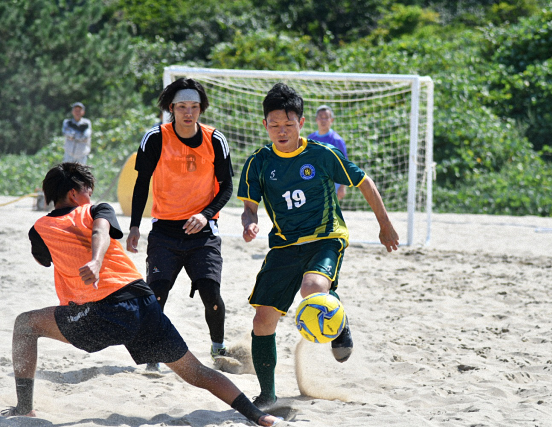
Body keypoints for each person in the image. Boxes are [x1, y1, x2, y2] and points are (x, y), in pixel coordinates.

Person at [0, 163, 280, 426]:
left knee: (25, 325)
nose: (91, 195)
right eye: (88, 190)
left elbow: (54, 255)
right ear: (74, 193)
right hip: (143, 303)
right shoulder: (98, 209)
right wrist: (94, 259)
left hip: (100, 312)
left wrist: (95, 261)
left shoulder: (40, 229)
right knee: (195, 372)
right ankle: (257, 415)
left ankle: (25, 407)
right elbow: (100, 230)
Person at [238, 83, 399, 409]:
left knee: (312, 288)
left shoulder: (322, 154)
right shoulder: (258, 162)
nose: (282, 131)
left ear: (301, 122)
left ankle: (338, 323)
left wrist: (385, 224)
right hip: (284, 247)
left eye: (289, 124)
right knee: (262, 320)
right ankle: (267, 395)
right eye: (274, 124)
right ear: (265, 125)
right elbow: (249, 207)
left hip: (326, 238)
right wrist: (249, 222)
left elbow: (365, 182)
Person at [126, 78, 232, 369]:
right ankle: (153, 354)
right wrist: (134, 226)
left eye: (194, 107)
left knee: (211, 293)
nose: (188, 112)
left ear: (201, 109)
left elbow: (226, 187)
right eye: (182, 106)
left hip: (203, 231)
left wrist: (205, 214)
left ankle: (218, 348)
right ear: (171, 108)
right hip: (165, 230)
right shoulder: (155, 138)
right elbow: (141, 183)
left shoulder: (215, 140)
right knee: (157, 294)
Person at [307, 105, 348, 201]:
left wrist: (343, 187)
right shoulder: (310, 139)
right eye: (321, 117)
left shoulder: (337, 140)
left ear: (331, 120)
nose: (323, 120)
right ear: (316, 119)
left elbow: (344, 164)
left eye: (326, 117)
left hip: (333, 184)